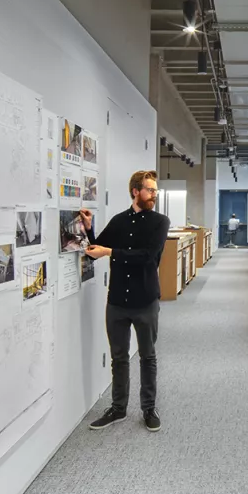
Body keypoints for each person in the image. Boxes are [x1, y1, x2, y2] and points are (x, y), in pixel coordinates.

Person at [80, 170, 170, 433]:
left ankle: (148, 408)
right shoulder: (119, 221)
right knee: (119, 358)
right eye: (149, 190)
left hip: (146, 301)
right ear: (135, 191)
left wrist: (110, 252)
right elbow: (97, 249)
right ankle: (118, 408)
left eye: (155, 190)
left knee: (147, 356)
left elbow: (148, 257)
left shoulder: (160, 222)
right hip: (117, 301)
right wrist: (89, 229)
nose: (154, 195)